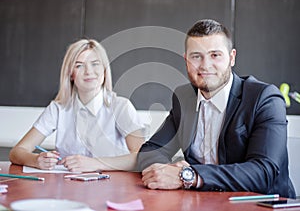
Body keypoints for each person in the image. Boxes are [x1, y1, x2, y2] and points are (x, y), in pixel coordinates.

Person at [137, 19, 296, 198]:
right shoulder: (184, 97)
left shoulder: (264, 98)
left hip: (261, 205)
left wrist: (189, 176)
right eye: (196, 56)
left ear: (232, 57)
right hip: (203, 202)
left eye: (215, 55)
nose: (205, 65)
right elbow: (150, 152)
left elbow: (264, 173)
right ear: (186, 59)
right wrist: (169, 171)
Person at [10, 39, 147, 172]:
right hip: (68, 187)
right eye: (79, 65)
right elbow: (17, 152)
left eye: (95, 64)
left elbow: (141, 156)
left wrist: (94, 164)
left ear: (104, 70)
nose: (88, 71)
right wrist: (35, 160)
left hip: (113, 188)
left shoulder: (121, 107)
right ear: (70, 74)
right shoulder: (58, 108)